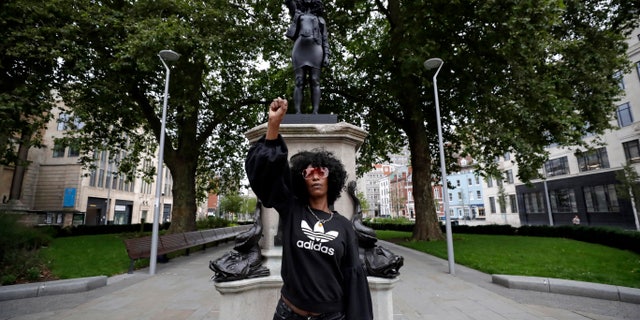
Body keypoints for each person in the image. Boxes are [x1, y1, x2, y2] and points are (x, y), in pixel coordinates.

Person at [245, 97, 373, 320]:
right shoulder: (292, 209)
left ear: (330, 179)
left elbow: (354, 278)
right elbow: (269, 175)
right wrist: (273, 124)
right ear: (301, 179)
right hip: (288, 314)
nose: (315, 177)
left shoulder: (344, 226)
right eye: (308, 173)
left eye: (321, 172)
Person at [284, 0, 330, 114]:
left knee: (315, 80)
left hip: (316, 49)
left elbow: (325, 39)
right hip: (300, 48)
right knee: (299, 80)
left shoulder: (321, 20)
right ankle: (298, 112)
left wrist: (327, 55)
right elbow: (288, 2)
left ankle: (315, 112)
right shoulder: (298, 14)